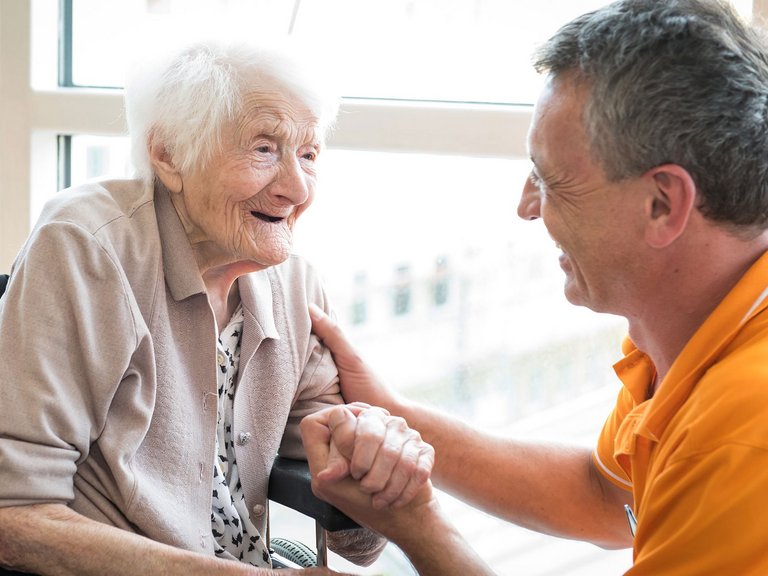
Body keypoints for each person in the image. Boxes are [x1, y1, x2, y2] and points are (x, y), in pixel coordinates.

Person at [300, 0, 768, 574]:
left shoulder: (743, 434)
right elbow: (606, 497)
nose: (526, 208)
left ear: (662, 204)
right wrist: (393, 412)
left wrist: (419, 525)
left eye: (549, 179)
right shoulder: (689, 322)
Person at [0, 38, 433, 576]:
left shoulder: (294, 283)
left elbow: (357, 540)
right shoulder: (88, 247)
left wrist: (379, 463)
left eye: (309, 153)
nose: (296, 190)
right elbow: (13, 517)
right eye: (263, 149)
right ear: (169, 155)